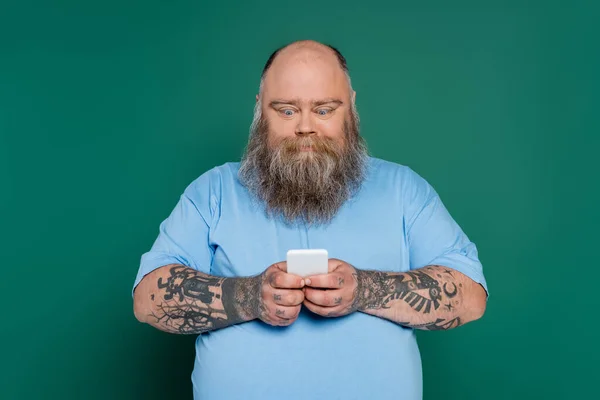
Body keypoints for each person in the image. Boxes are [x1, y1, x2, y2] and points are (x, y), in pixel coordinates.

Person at [132, 40, 488, 400]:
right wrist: (248, 297)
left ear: (350, 107)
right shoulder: (213, 191)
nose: (305, 127)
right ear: (260, 110)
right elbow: (147, 300)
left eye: (323, 109)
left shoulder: (403, 189)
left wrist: (365, 289)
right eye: (286, 111)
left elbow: (470, 298)